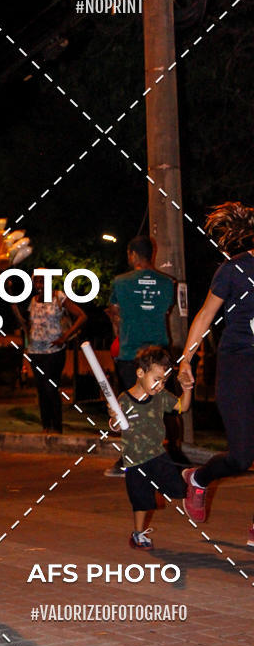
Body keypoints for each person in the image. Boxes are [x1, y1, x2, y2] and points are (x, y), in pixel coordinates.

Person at [178, 202, 254, 540]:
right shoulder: (233, 270)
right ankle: (198, 479)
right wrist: (185, 361)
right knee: (241, 457)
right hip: (238, 365)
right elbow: (205, 317)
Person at [104, 235, 176, 476]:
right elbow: (164, 310)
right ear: (152, 254)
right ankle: (168, 453)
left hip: (130, 352)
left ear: (132, 254)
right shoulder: (168, 283)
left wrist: (119, 325)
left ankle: (131, 458)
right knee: (161, 405)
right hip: (159, 353)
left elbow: (115, 313)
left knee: (133, 407)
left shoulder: (121, 282)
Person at [109, 346, 191, 549]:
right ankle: (138, 534)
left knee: (179, 489)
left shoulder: (161, 397)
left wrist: (187, 389)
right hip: (134, 460)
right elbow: (114, 425)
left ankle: (191, 479)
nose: (160, 385)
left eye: (164, 381)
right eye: (156, 379)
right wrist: (114, 419)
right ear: (140, 373)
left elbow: (182, 407)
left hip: (157, 455)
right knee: (141, 500)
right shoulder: (124, 400)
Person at [19, 273, 86, 432]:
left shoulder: (58, 296)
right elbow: (28, 324)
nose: (39, 283)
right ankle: (46, 427)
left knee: (51, 387)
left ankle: (56, 427)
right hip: (35, 352)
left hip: (54, 351)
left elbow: (82, 316)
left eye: (43, 279)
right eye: (37, 280)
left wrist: (65, 337)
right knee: (41, 389)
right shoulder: (33, 300)